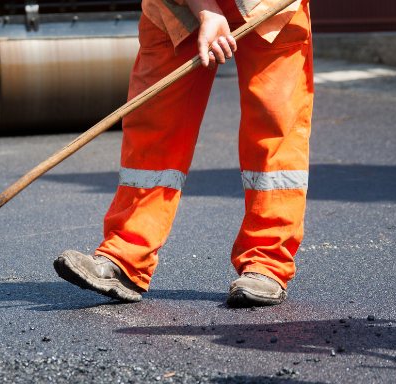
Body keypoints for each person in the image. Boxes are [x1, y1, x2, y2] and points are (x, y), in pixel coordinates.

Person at [53, 0, 313, 307]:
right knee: (155, 123)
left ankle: (266, 263)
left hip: (270, 6)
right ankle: (126, 257)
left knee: (275, 126)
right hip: (176, 8)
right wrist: (205, 10)